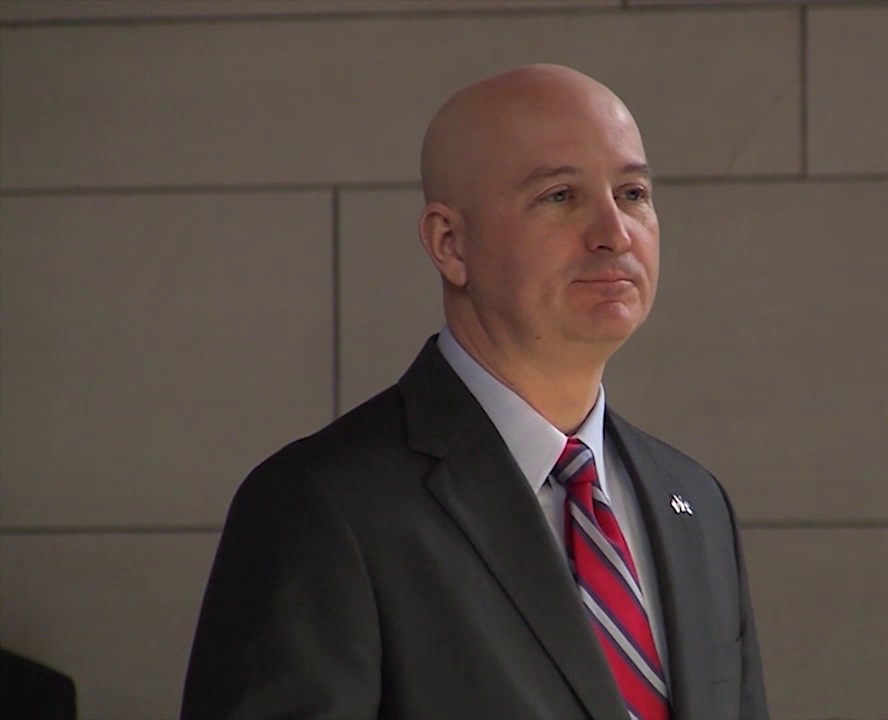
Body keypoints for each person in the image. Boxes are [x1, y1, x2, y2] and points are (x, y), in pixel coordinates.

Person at [181, 63, 768, 720]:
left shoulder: (695, 502)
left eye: (632, 193)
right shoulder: (323, 509)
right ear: (450, 243)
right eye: (559, 197)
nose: (614, 232)